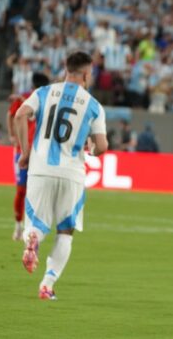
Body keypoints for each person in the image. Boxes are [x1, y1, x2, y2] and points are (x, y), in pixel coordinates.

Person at [13, 51, 108, 300]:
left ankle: (33, 239)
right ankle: (47, 285)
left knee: (36, 223)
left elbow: (20, 114)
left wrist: (25, 152)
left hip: (40, 168)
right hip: (71, 173)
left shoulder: (44, 92)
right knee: (65, 231)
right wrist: (91, 149)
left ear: (66, 69)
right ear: (86, 74)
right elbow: (102, 146)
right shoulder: (93, 105)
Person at [7, 72, 50, 241]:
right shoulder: (23, 98)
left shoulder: (48, 99)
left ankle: (33, 227)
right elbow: (11, 114)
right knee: (21, 190)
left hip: (40, 152)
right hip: (22, 150)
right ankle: (18, 225)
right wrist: (12, 134)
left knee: (39, 191)